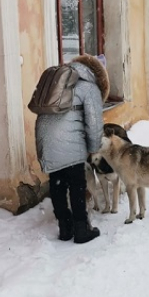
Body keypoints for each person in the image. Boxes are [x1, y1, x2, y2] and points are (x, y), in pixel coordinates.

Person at [35, 55, 109, 244]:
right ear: (96, 74)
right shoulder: (89, 88)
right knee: (77, 184)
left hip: (45, 136)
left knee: (57, 183)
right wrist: (93, 148)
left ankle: (65, 228)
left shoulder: (57, 82)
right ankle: (81, 229)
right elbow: (94, 124)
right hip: (69, 139)